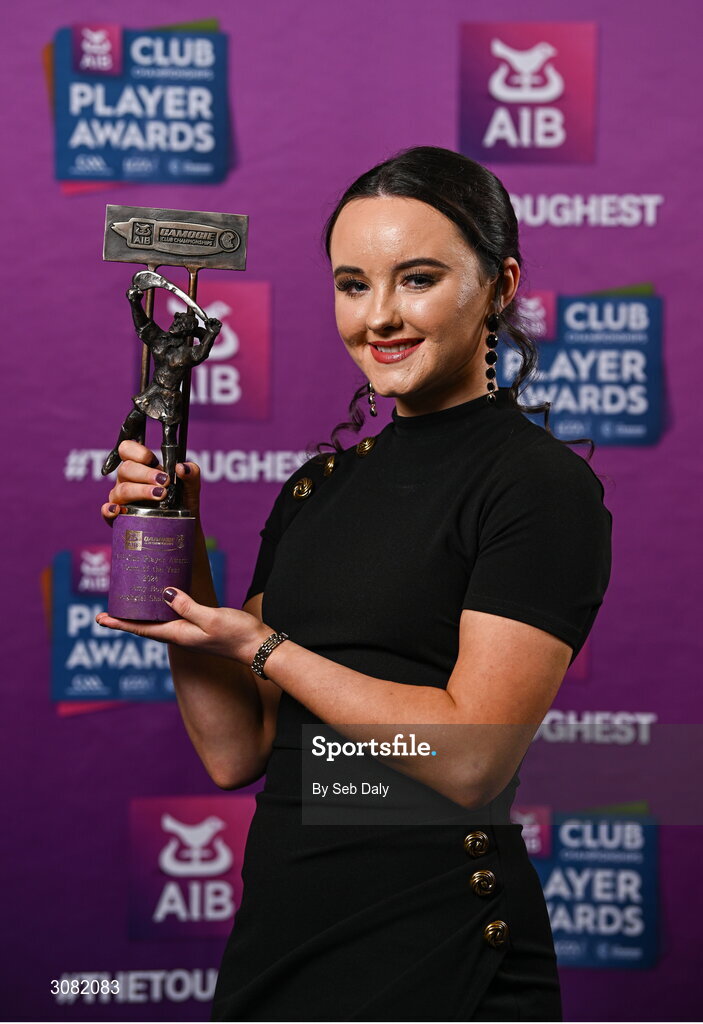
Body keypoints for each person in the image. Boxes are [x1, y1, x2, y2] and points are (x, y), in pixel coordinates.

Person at [97, 146, 612, 1022]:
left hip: (440, 942)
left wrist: (261, 644)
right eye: (351, 284)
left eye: (415, 279)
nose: (379, 317)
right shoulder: (315, 489)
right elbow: (236, 751)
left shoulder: (536, 485)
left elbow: (468, 756)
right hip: (285, 934)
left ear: (499, 284)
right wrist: (175, 542)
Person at [101, 287, 222, 506]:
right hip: (154, 390)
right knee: (132, 420)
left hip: (171, 397)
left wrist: (210, 334)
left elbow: (201, 352)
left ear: (187, 332)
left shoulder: (186, 353)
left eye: (181, 325)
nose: (175, 325)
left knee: (169, 438)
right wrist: (135, 302)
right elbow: (143, 326)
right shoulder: (159, 340)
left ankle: (169, 483)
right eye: (176, 322)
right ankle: (116, 452)